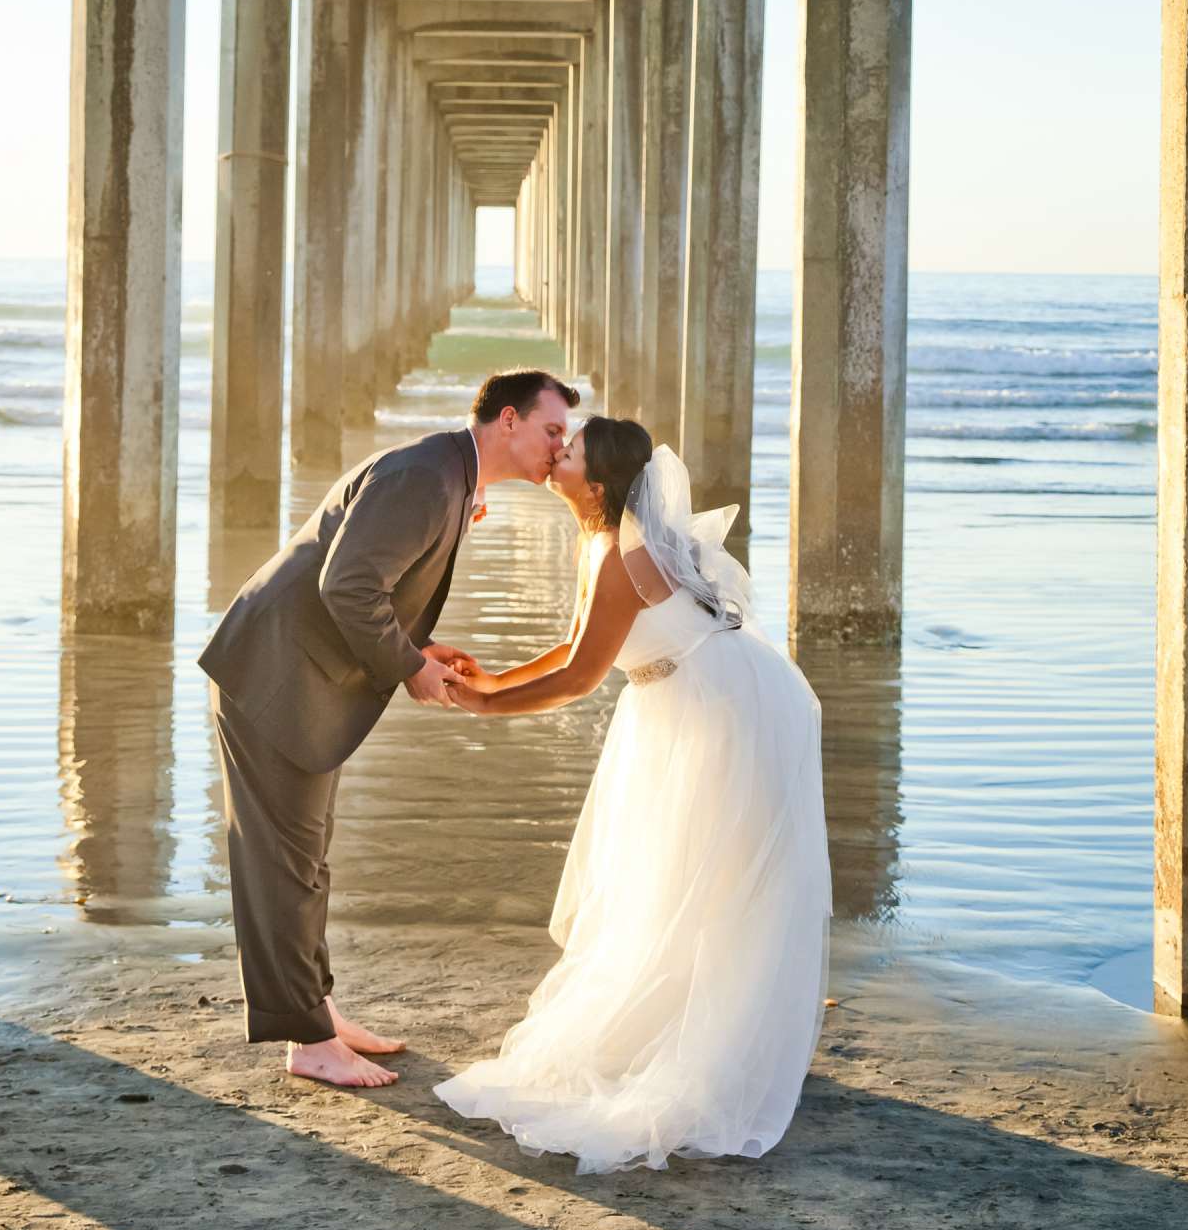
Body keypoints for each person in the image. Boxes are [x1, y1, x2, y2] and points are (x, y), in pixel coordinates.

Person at [435, 416, 831, 1171]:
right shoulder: (597, 542)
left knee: (714, 879)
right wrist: (493, 680)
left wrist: (486, 706)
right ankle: (689, 1027)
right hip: (677, 701)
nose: (558, 454)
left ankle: (718, 1045)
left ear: (602, 479)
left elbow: (583, 677)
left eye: (571, 449)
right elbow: (578, 646)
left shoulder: (621, 551)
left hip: (726, 706)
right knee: (671, 876)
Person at [198, 368, 578, 1089]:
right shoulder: (428, 478)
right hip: (273, 677)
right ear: (507, 421)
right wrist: (407, 665)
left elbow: (364, 578)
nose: (559, 449)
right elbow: (345, 584)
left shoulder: (450, 477)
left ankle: (317, 1013)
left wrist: (417, 646)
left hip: (299, 680)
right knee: (281, 863)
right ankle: (306, 1044)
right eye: (552, 430)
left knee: (303, 859)